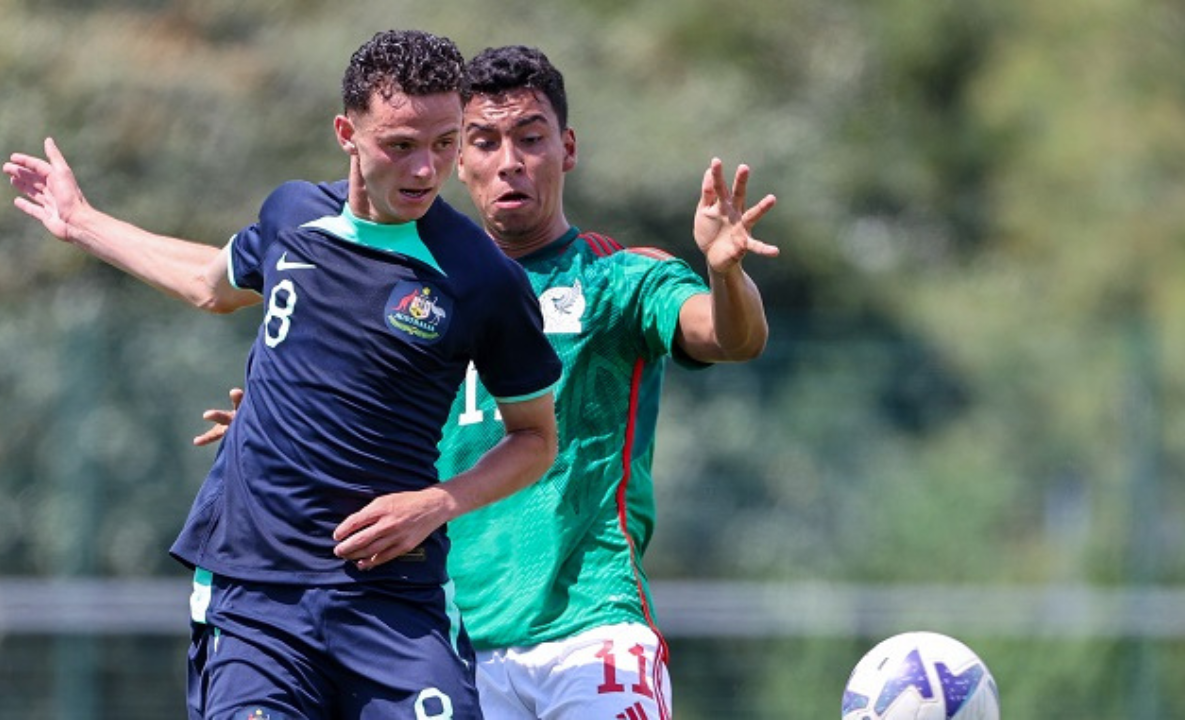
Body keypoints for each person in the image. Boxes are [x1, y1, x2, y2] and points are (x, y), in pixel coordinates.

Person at [198, 44, 778, 719]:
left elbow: (730, 337)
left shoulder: (619, 278)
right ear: (458, 159)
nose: (510, 161)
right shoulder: (419, 285)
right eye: (484, 141)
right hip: (446, 633)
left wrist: (726, 271)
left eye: (531, 139)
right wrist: (273, 426)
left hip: (590, 630)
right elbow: (233, 291)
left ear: (566, 149)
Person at [4, 30, 562, 720]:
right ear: (346, 134)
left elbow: (535, 438)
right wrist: (82, 222)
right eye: (401, 146)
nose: (426, 169)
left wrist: (437, 503)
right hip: (255, 592)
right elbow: (209, 284)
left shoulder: (482, 277)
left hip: (392, 598)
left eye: (445, 144)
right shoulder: (292, 216)